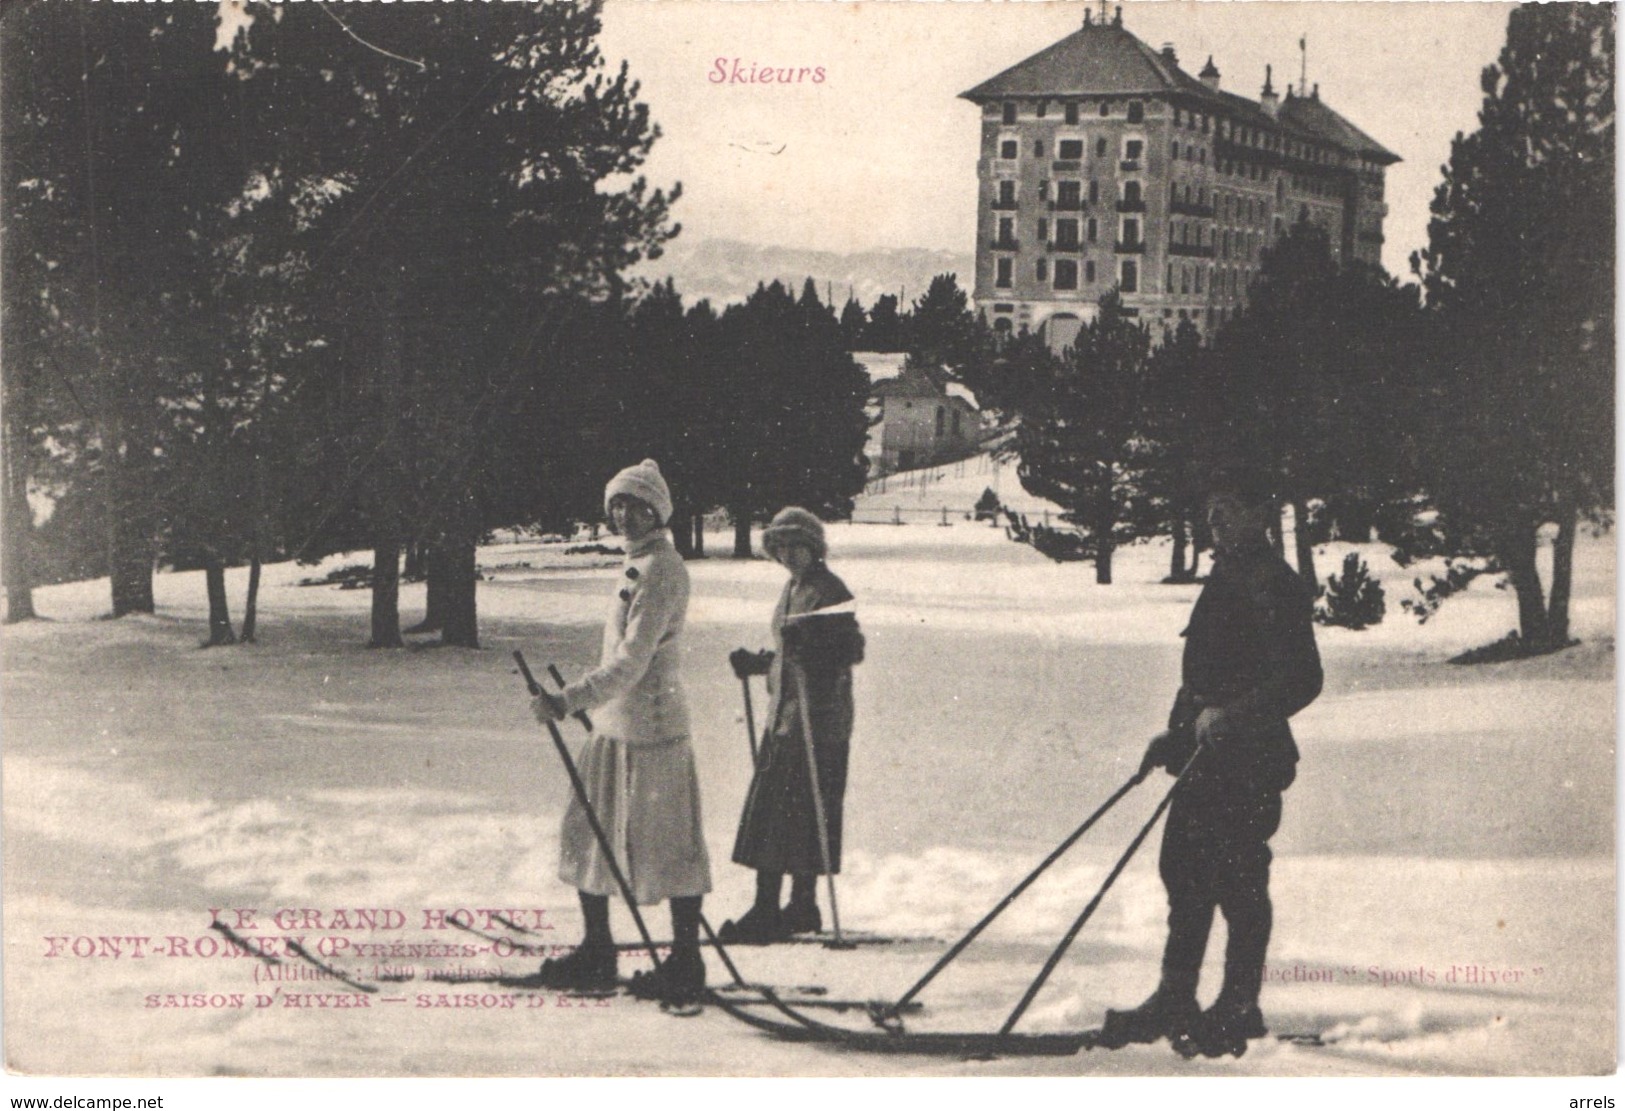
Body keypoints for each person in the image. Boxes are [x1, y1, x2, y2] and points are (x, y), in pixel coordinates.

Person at [1099, 474, 1323, 1058]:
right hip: (1205, 759)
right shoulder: (1226, 574)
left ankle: (1239, 1006)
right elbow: (1204, 679)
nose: (1213, 524)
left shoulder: (1274, 583)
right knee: (1184, 874)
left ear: (1259, 515)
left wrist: (1233, 716)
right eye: (1209, 513)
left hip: (1248, 763)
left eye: (1225, 511)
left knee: (1240, 883)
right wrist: (1173, 741)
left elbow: (1302, 678)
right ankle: (1174, 999)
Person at [532, 459, 712, 1005]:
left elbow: (633, 661)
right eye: (615, 505)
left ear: (656, 510)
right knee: (590, 832)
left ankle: (686, 960)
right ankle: (598, 949)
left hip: (652, 728)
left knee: (666, 843)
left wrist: (568, 700)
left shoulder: (663, 570)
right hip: (615, 725)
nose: (622, 516)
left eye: (633, 506)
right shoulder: (638, 564)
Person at [720, 507, 864, 944]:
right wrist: (762, 663)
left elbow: (850, 648)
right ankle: (800, 906)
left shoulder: (829, 589)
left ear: (813, 546)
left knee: (787, 814)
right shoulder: (793, 588)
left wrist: (813, 647)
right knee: (787, 814)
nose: (786, 555)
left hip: (818, 724)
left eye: (794, 545)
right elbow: (791, 653)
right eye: (779, 547)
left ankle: (771, 910)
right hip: (785, 717)